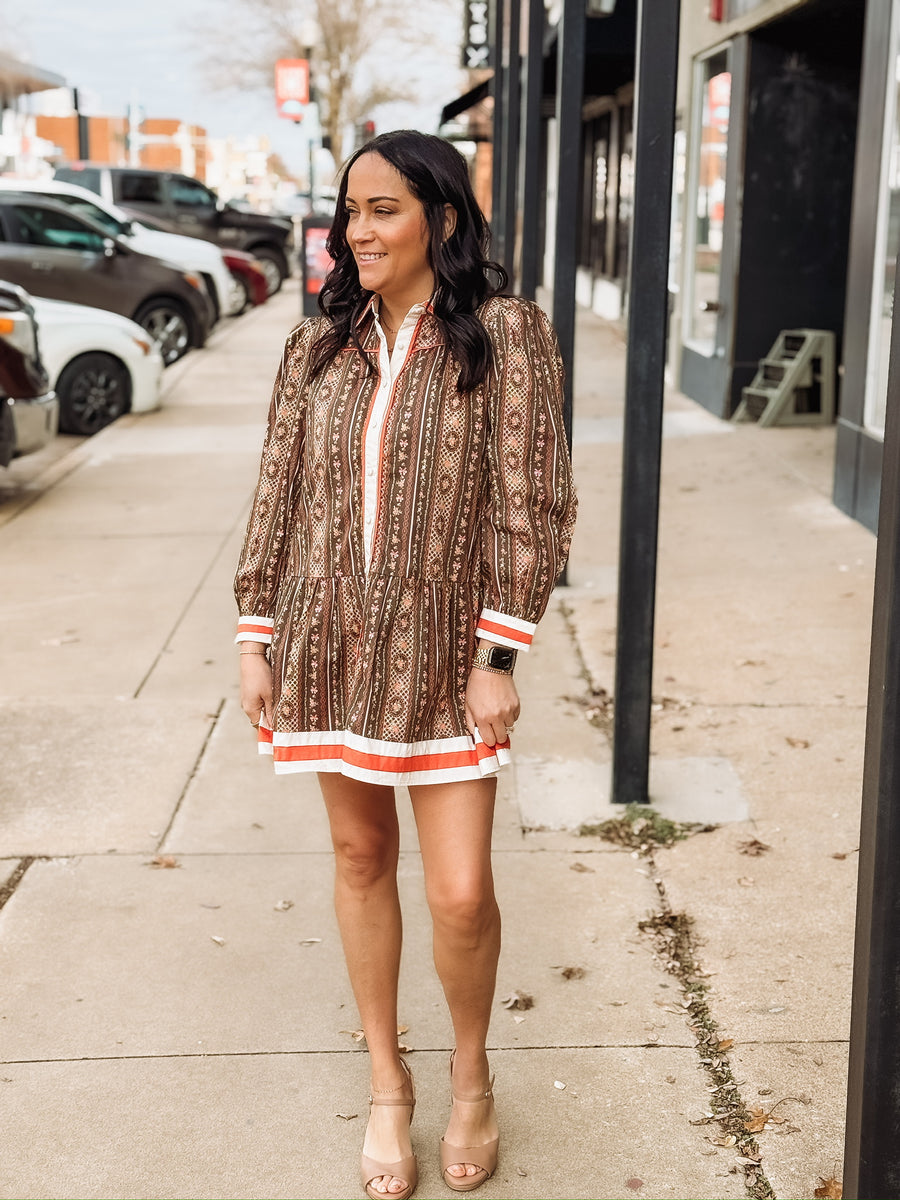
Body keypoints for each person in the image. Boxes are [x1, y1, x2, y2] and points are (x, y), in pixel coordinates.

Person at [234, 129, 576, 1199]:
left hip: (443, 659)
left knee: (464, 895)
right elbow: (280, 494)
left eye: (383, 209)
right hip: (328, 644)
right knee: (358, 859)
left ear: (442, 217)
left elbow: (535, 506)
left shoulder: (506, 336)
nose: (360, 229)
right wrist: (257, 631)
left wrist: (497, 652)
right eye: (352, 211)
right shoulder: (317, 348)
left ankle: (471, 1076)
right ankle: (390, 1086)